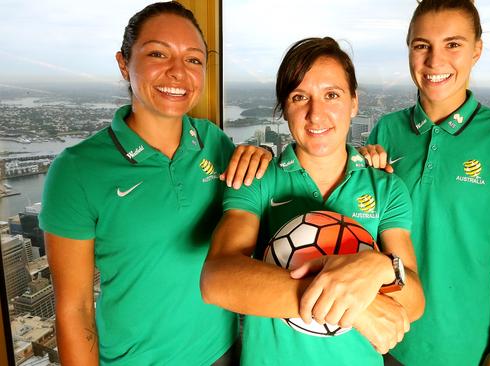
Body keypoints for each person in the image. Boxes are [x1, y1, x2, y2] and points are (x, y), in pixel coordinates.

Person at [39, 2, 272, 365]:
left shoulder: (215, 142)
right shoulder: (77, 171)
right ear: (123, 64)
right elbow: (75, 309)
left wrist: (365, 163)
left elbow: (268, 199)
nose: (178, 72)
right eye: (158, 54)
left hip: (225, 353)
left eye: (193, 60)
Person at [200, 37, 425, 366]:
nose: (315, 114)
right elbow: (217, 278)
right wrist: (355, 306)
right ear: (284, 108)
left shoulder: (386, 188)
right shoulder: (257, 179)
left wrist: (378, 266)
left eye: (331, 95)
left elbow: (414, 301)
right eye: (299, 97)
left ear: (354, 102)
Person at [361, 1, 490, 365]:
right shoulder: (386, 130)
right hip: (383, 336)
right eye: (422, 45)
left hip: (465, 348)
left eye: (453, 44)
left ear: (477, 49)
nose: (434, 61)